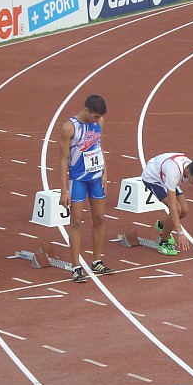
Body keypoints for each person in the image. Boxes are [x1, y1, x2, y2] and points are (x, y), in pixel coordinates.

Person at [59, 95, 114, 283]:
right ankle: (76, 266)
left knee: (99, 218)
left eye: (99, 117)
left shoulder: (100, 123)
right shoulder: (69, 128)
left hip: (96, 177)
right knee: (76, 221)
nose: (97, 120)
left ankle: (97, 260)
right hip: (78, 180)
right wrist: (63, 190)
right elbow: (63, 160)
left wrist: (105, 172)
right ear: (86, 110)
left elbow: (100, 147)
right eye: (95, 117)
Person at [141, 153, 193, 255]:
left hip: (165, 175)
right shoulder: (174, 172)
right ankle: (163, 242)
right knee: (177, 208)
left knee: (184, 210)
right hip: (153, 177)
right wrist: (180, 233)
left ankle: (162, 225)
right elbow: (172, 205)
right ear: (188, 172)